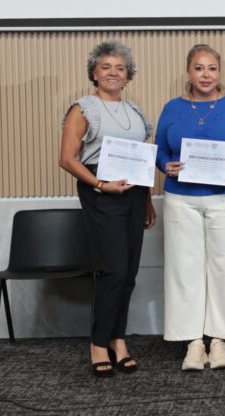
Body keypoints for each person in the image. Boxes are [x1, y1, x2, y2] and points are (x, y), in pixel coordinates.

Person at [155, 44, 225, 371]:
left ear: (219, 72)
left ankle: (219, 341)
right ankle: (193, 343)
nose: (206, 75)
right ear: (188, 72)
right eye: (199, 68)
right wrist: (166, 166)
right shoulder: (171, 108)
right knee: (184, 272)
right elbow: (158, 151)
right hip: (181, 200)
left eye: (212, 68)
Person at [59, 41, 156, 377]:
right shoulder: (84, 108)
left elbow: (141, 161)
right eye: (106, 67)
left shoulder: (135, 112)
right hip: (101, 191)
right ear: (94, 73)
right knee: (112, 270)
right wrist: (101, 185)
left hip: (133, 193)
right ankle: (98, 344)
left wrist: (146, 201)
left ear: (128, 75)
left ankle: (118, 339)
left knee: (128, 273)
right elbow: (67, 159)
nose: (113, 72)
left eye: (119, 67)